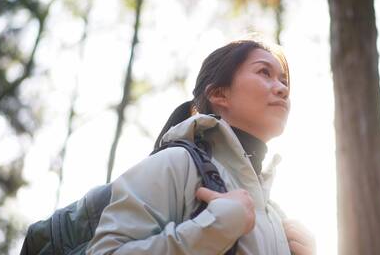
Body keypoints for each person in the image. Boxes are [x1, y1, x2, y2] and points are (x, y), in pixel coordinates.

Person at [86, 39, 316, 254]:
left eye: (283, 81)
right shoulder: (176, 163)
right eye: (264, 72)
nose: (282, 89)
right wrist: (214, 228)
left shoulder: (275, 215)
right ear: (219, 94)